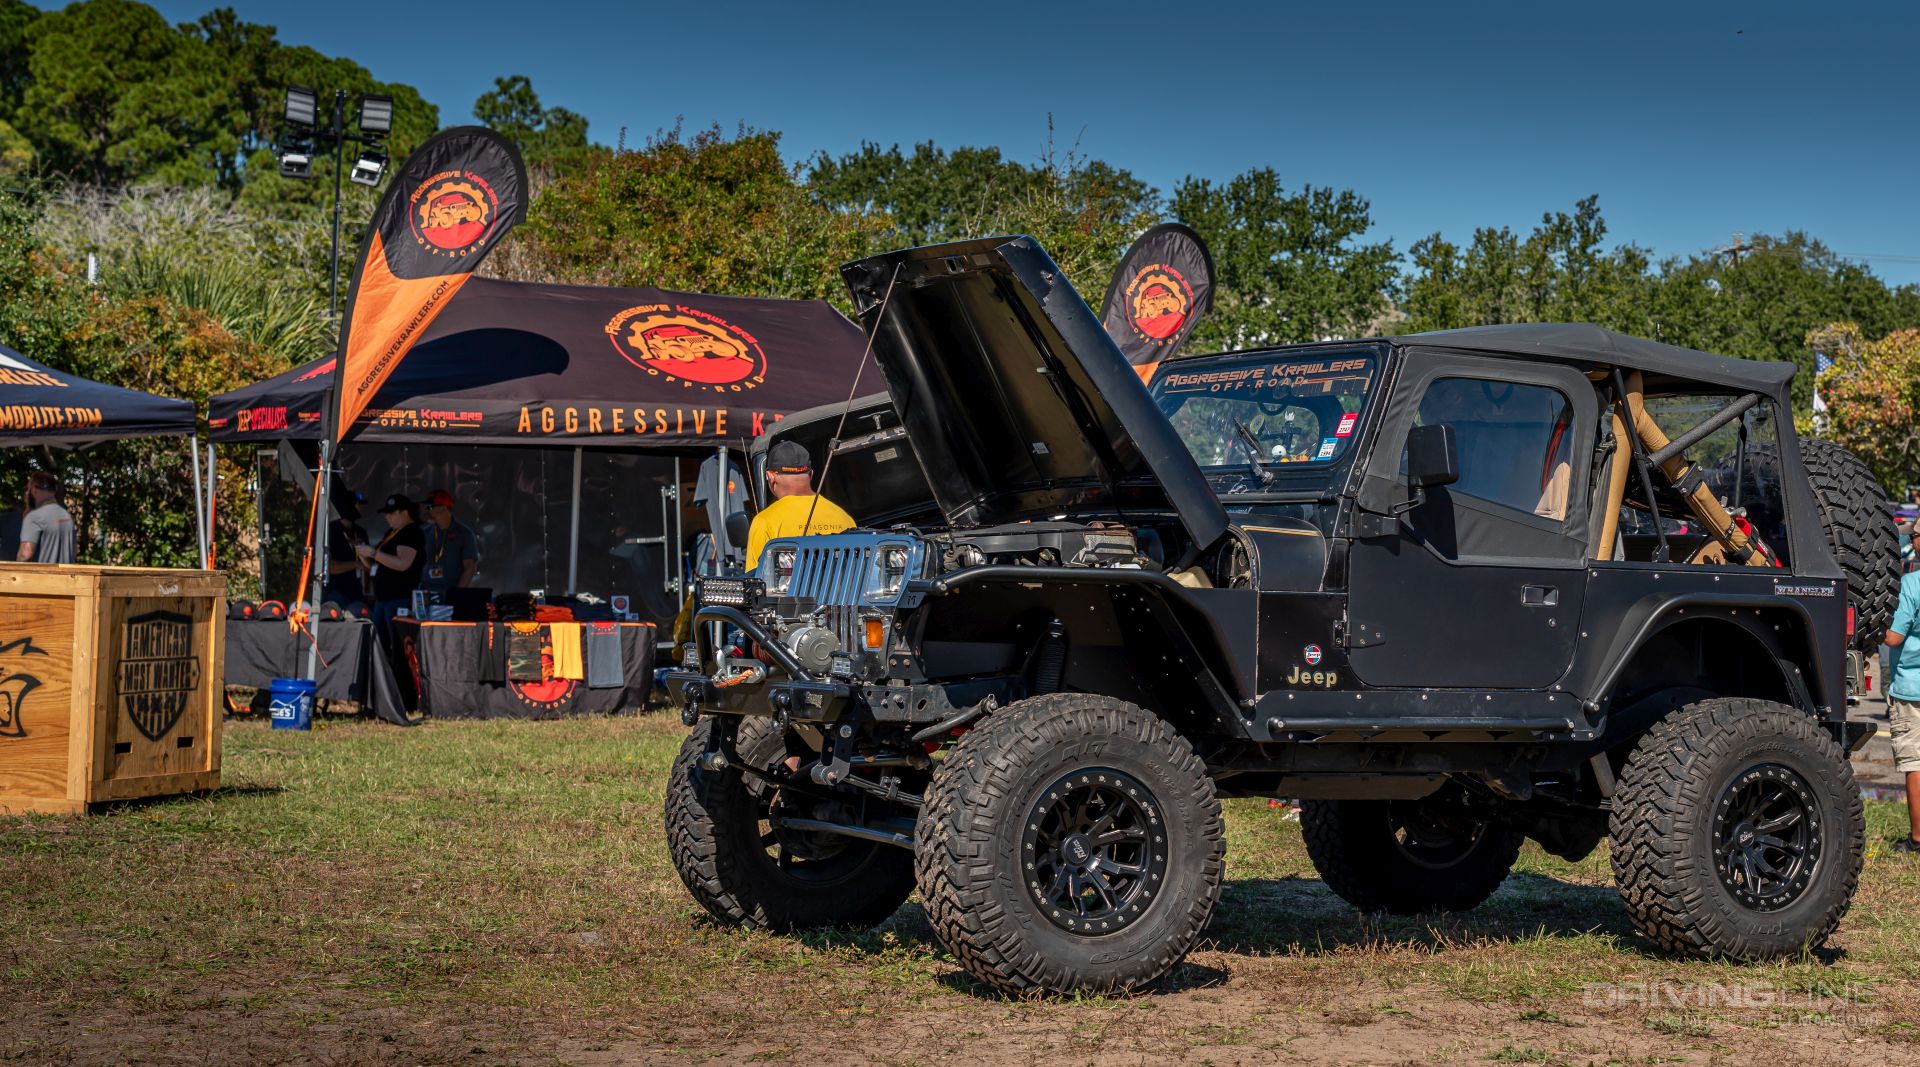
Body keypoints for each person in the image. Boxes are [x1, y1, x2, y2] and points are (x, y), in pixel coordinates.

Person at [745, 441, 855, 570]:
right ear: (811, 474)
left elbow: (756, 581)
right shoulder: (845, 517)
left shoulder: (764, 521)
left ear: (770, 477)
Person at [357, 494, 424, 653]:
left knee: (398, 646)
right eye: (386, 513)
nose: (388, 517)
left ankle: (397, 676)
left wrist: (372, 553)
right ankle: (382, 676)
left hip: (399, 598)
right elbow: (373, 564)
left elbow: (403, 563)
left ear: (405, 513)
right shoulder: (391, 532)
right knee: (379, 646)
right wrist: (362, 553)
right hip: (382, 598)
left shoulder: (412, 531)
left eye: (392, 513)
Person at [1887, 566, 1920, 854]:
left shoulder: (1912, 583)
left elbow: (1893, 638)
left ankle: (1917, 839)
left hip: (1912, 688)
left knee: (1915, 764)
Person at [418, 488, 480, 597]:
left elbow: (470, 568)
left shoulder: (464, 534)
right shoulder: (424, 532)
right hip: (424, 592)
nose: (427, 510)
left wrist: (456, 594)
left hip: (450, 591)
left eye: (430, 507)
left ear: (443, 508)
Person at [17, 471, 74, 564]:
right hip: (67, 577)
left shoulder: (34, 517)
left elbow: (25, 555)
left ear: (34, 490)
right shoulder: (67, 517)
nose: (26, 494)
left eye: (28, 489)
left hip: (43, 577)